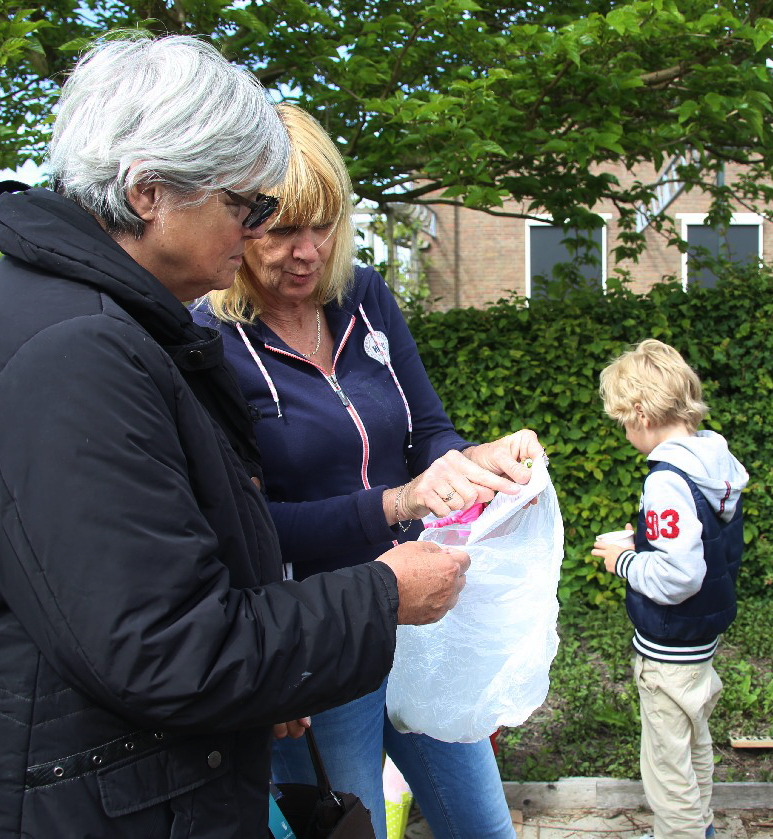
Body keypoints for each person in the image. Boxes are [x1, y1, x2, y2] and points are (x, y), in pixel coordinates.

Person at [0, 35, 470, 839]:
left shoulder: (83, 316)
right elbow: (167, 648)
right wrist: (381, 595)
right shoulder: (74, 353)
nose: (256, 231)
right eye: (245, 207)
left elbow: (142, 589)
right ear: (149, 191)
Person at [193, 103, 544, 839]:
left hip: (419, 617)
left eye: (324, 225)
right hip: (315, 640)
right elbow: (244, 526)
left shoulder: (365, 295)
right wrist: (394, 504)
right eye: (283, 230)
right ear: (239, 221)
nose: (308, 252)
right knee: (353, 828)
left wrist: (473, 462)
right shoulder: (209, 340)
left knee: (485, 828)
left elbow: (428, 431)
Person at [590, 339, 749, 839]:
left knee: (666, 767)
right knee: (693, 745)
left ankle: (680, 833)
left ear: (640, 413)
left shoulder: (666, 481)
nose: (625, 433)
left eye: (623, 422)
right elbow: (698, 542)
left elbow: (680, 576)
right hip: (701, 641)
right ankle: (701, 828)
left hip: (669, 647)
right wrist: (643, 541)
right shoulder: (712, 460)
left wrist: (623, 561)